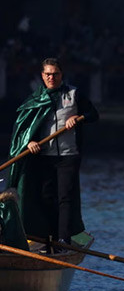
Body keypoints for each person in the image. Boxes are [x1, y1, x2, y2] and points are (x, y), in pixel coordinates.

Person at [7, 57, 99, 249]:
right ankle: (47, 239)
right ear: (42, 75)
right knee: (46, 197)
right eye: (48, 74)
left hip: (68, 155)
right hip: (44, 157)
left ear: (61, 74)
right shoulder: (35, 99)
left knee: (65, 197)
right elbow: (26, 130)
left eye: (55, 74)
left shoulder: (74, 94)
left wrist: (78, 117)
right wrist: (29, 142)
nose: (51, 78)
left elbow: (93, 114)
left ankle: (63, 241)